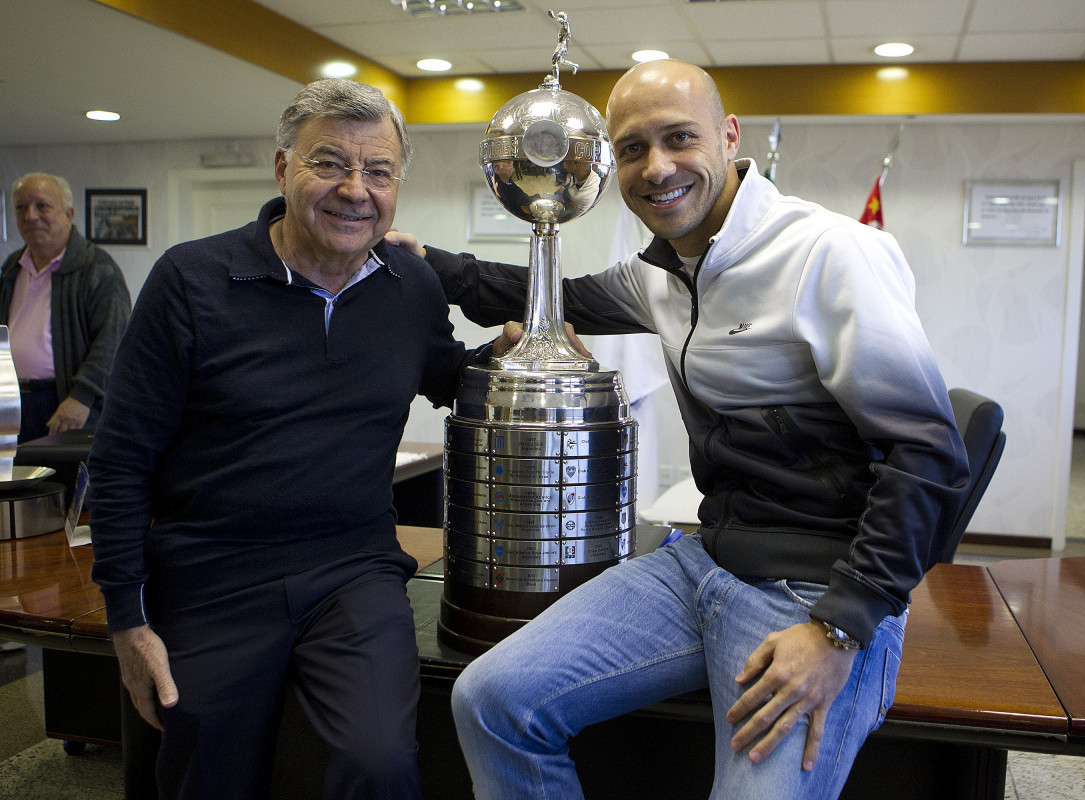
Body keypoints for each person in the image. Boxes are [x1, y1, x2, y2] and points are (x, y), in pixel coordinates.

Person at [400, 60, 970, 798]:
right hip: (705, 562)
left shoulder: (828, 254)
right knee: (492, 700)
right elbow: (545, 296)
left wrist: (839, 629)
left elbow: (929, 451)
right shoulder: (661, 274)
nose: (656, 167)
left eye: (679, 138)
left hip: (816, 591)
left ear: (729, 137)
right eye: (632, 148)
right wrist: (420, 264)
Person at [87, 79, 496, 800]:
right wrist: (127, 619)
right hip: (211, 574)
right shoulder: (190, 280)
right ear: (282, 169)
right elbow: (120, 460)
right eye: (329, 163)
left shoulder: (412, 286)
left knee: (378, 764)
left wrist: (525, 358)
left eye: (378, 171)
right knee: (203, 771)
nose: (354, 190)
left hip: (352, 569)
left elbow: (448, 376)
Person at [1, 173, 130, 442]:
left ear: (68, 213)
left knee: (61, 483)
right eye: (21, 207)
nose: (30, 215)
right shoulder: (12, 268)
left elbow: (113, 341)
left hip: (65, 405)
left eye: (42, 206)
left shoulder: (97, 268)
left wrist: (80, 397)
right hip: (12, 403)